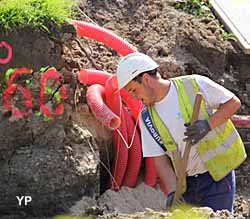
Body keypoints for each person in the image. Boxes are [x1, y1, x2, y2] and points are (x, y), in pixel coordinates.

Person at [115, 52, 247, 212]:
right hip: (188, 185)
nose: (134, 97)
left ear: (146, 79)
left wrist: (207, 125)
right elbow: (159, 160)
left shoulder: (193, 84)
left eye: (134, 90)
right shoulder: (147, 117)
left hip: (217, 176)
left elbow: (233, 103)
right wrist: (172, 192)